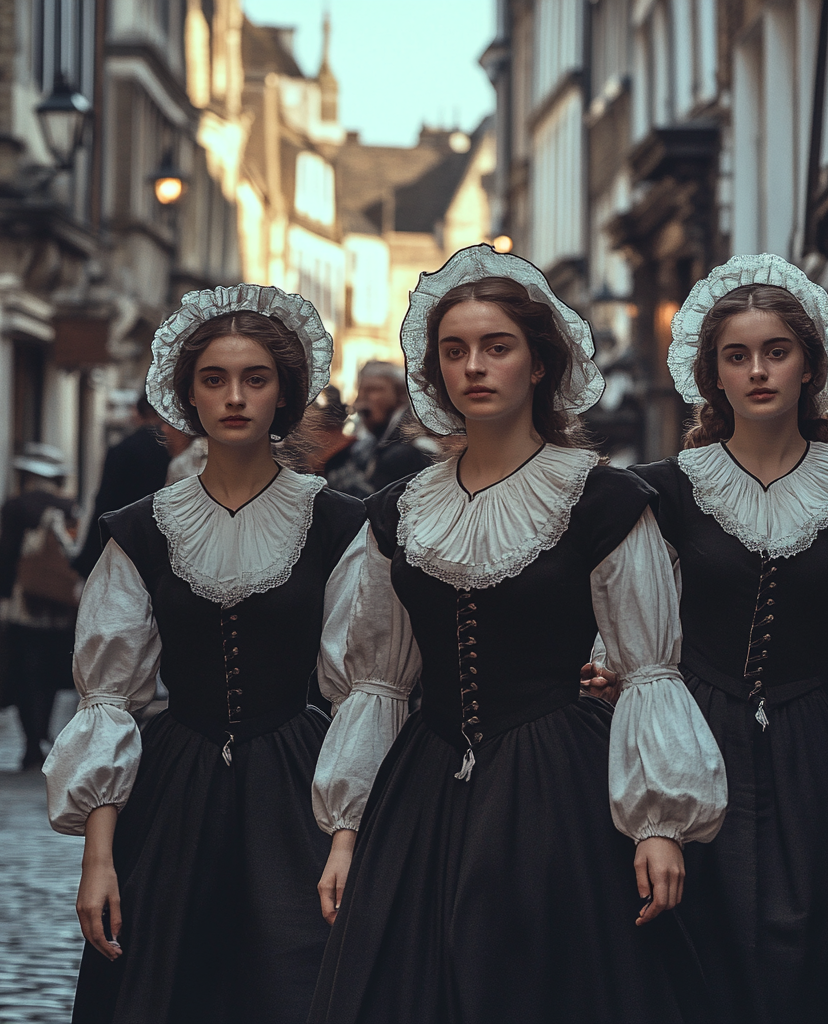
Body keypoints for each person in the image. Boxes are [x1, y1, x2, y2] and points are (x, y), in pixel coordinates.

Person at [308, 245, 728, 1024]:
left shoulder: (604, 501)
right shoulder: (398, 512)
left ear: (539, 365)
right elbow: (378, 682)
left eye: (497, 347)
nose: (474, 366)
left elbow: (648, 670)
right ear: (434, 372)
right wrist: (346, 832)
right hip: (423, 787)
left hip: (556, 787)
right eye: (454, 350)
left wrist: (659, 827)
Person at [605, 254, 828, 1023]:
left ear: (810, 369)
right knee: (695, 969)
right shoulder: (662, 495)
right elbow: (638, 644)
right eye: (737, 356)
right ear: (712, 376)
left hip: (815, 761)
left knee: (820, 972)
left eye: (776, 352)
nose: (758, 371)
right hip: (691, 752)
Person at [42, 284, 367, 1024]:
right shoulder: (140, 528)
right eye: (214, 379)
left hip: (298, 788)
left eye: (256, 378)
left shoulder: (341, 523)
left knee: (294, 986)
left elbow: (363, 689)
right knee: (163, 989)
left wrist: (349, 836)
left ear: (284, 393)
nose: (234, 397)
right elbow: (108, 698)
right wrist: (99, 860)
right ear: (187, 395)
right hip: (174, 790)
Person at [0, 444, 80, 769]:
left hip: (22, 603)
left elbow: (4, 555)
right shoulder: (69, 506)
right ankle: (43, 731)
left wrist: (0, 595)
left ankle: (31, 742)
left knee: (23, 672)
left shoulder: (16, 507)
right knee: (48, 672)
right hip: (58, 604)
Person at [72, 394, 171, 578]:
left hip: (125, 544)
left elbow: (104, 505)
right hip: (163, 547)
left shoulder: (123, 449)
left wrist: (87, 561)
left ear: (139, 414)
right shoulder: (175, 449)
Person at [352, 360, 432, 492]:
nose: (361, 400)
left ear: (401, 395)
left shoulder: (412, 450)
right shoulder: (369, 445)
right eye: (360, 391)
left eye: (373, 390)